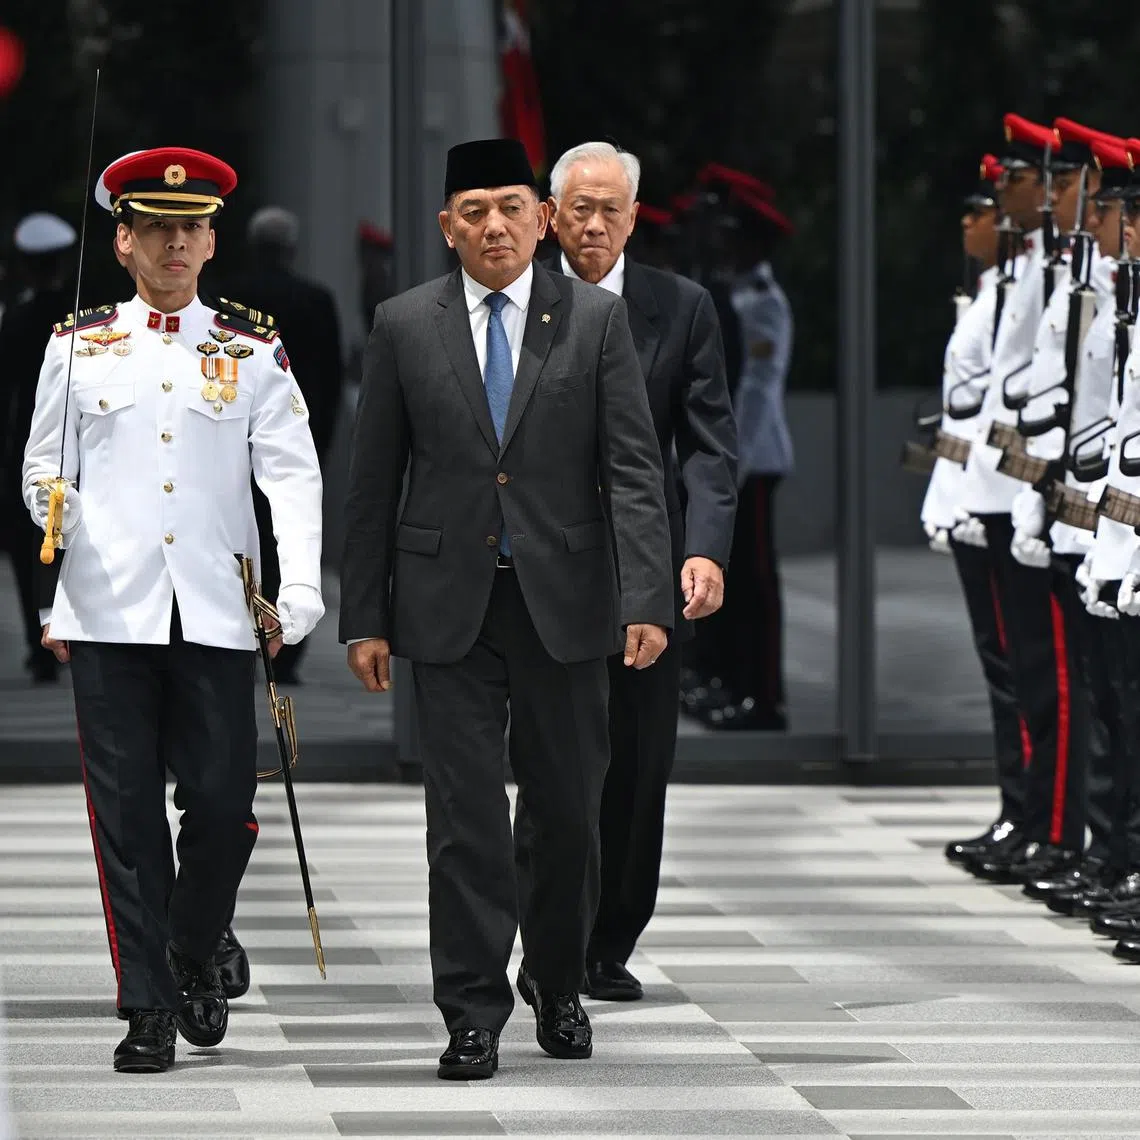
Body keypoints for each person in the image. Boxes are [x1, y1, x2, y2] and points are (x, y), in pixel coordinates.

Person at [340, 138, 674, 1080]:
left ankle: (558, 983)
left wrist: (647, 596)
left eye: (512, 207)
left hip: (565, 601)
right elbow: (372, 482)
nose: (495, 225)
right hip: (447, 605)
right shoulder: (405, 323)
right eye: (475, 211)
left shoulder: (595, 320)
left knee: (568, 812)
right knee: (464, 820)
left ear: (543, 219)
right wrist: (365, 615)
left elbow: (633, 471)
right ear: (448, 226)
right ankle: (471, 1011)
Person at [22, 147, 324, 1073]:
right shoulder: (78, 344)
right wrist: (61, 513)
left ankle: (195, 939)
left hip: (216, 611)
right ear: (123, 241)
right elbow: (41, 470)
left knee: (226, 807)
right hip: (110, 613)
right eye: (156, 229)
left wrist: (299, 590)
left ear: (212, 242)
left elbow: (292, 474)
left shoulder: (249, 347)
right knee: (127, 823)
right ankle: (148, 1005)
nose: (175, 244)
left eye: (190, 228)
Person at [543, 140, 737, 1000]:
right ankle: (549, 932)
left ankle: (608, 939)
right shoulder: (516, 300)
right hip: (541, 562)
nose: (594, 225)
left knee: (637, 760)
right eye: (579, 209)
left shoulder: (680, 306)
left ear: (632, 218)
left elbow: (709, 445)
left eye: (609, 210)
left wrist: (705, 548)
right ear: (551, 216)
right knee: (553, 762)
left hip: (644, 565)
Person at [930, 155, 1033, 869]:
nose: (970, 222)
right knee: (1003, 664)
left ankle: (1034, 815)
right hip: (976, 498)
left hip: (1004, 500)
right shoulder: (992, 292)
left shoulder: (1017, 295)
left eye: (984, 211)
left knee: (1022, 668)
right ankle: (1018, 809)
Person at [225, 206, 344, 683]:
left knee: (241, 539)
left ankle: (243, 637)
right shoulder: (315, 299)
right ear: (291, 249)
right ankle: (287, 650)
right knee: (291, 536)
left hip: (237, 440)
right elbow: (330, 377)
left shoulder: (230, 297)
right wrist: (323, 441)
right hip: (299, 437)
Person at [0, 212, 76, 683]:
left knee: (31, 549)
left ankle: (41, 642)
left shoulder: (18, 320)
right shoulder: (84, 317)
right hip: (78, 445)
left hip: (25, 448)